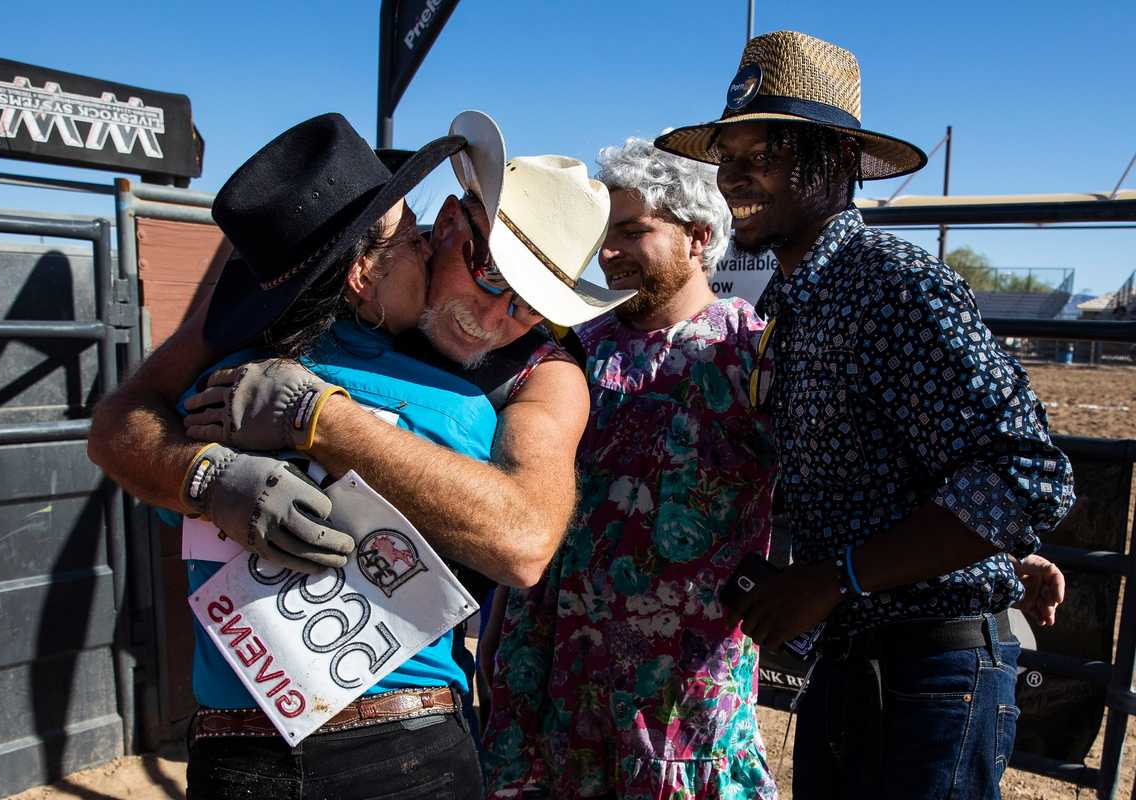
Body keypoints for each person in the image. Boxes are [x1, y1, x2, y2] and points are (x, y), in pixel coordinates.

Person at [87, 112, 632, 799]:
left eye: (531, 307)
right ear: (451, 226)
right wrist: (206, 475)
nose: (496, 320)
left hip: (397, 745)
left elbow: (524, 540)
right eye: (490, 277)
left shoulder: (538, 374)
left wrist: (317, 417)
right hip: (248, 747)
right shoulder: (278, 303)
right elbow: (120, 425)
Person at [655, 30, 1075, 799]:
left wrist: (835, 577)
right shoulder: (794, 300)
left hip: (928, 672)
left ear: (836, 163)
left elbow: (1029, 475)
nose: (733, 178)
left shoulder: (891, 285)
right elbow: (914, 465)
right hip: (862, 665)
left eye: (763, 155)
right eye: (728, 157)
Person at [481, 137, 778, 799]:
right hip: (560, 687)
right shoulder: (575, 351)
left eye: (632, 232)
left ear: (699, 236)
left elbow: (837, 471)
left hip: (681, 712)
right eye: (603, 234)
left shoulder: (749, 355)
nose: (608, 253)